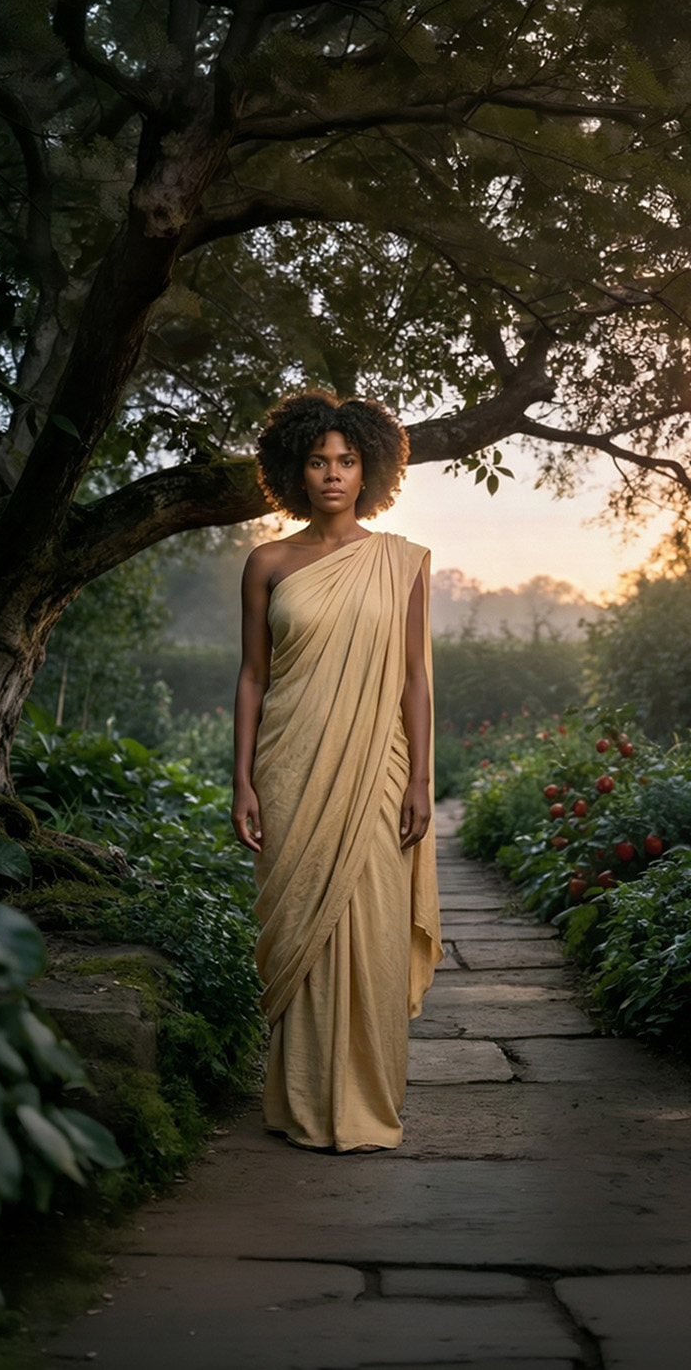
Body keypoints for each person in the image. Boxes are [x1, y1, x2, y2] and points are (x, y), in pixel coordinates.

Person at [232, 391, 442, 1153]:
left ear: (370, 469)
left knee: (377, 928)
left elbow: (415, 678)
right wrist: (242, 781)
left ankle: (369, 1103)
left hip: (380, 769)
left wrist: (421, 779)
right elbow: (253, 677)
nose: (332, 474)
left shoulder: (401, 563)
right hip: (289, 764)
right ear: (295, 467)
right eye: (318, 461)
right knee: (303, 931)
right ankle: (299, 1104)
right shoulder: (268, 563)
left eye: (347, 461)